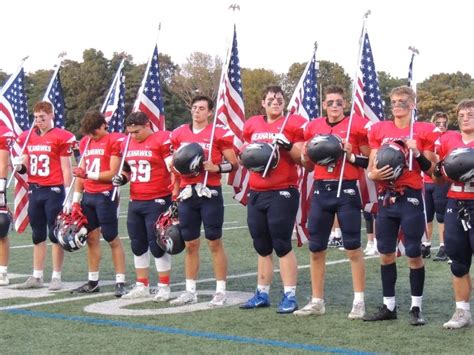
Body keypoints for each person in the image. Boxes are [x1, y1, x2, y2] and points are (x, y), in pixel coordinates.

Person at [363, 86, 439, 325]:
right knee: (385, 252)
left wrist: (416, 152)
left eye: (403, 102)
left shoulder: (422, 130)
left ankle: (416, 307)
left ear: (413, 105)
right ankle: (389, 305)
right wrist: (374, 175)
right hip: (387, 197)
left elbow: (432, 171)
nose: (397, 105)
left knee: (414, 253)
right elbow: (371, 169)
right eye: (394, 101)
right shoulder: (379, 129)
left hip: (412, 197)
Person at [294, 85, 369, 319]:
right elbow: (307, 166)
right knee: (316, 248)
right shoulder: (314, 126)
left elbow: (369, 160)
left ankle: (359, 301)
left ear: (344, 104)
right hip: (321, 189)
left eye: (338, 102)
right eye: (330, 102)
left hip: (346, 189)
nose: (334, 106)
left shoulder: (355, 125)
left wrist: (351, 155)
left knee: (353, 247)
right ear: (324, 105)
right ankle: (317, 301)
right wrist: (305, 156)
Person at [239, 85, 305, 314]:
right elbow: (245, 154)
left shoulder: (293, 124)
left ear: (284, 103)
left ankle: (290, 295)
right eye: (271, 99)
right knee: (261, 244)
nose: (275, 102)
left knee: (281, 243)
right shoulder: (252, 125)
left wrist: (287, 146)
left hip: (282, 190)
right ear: (263, 103)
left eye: (279, 99)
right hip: (257, 191)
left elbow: (304, 160)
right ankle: (262, 292)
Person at [169, 95, 238, 307]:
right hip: (188, 193)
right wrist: (175, 191)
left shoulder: (218, 132)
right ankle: (190, 290)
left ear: (210, 112)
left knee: (214, 241)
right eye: (194, 107)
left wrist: (216, 167)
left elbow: (234, 163)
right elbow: (175, 167)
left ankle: (220, 290)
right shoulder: (179, 133)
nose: (197, 111)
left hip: (210, 192)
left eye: (202, 108)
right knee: (190, 243)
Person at [13, 101, 75, 291]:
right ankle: (37, 275)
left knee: (55, 233)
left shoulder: (61, 137)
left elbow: (67, 168)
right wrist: (19, 165)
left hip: (54, 190)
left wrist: (68, 195)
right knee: (37, 234)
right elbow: (25, 164)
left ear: (51, 116)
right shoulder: (29, 137)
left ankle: (56, 276)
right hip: (35, 188)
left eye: (42, 117)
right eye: (36, 117)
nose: (39, 121)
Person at [112, 112, 173, 301]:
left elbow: (173, 169)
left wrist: (175, 196)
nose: (133, 135)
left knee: (157, 244)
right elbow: (127, 169)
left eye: (137, 131)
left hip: (158, 198)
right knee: (137, 244)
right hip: (136, 199)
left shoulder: (162, 140)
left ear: (147, 125)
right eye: (129, 132)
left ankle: (164, 286)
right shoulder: (126, 142)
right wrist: (121, 178)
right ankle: (142, 285)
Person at [70, 111, 127, 297]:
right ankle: (93, 281)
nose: (92, 136)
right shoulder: (85, 142)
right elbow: (81, 172)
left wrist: (86, 175)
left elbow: (112, 173)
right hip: (89, 196)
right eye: (90, 133)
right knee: (91, 239)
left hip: (105, 195)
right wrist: (76, 200)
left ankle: (120, 281)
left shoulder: (113, 141)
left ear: (104, 125)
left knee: (111, 237)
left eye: (95, 132)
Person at [433, 99, 474, 329]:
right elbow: (437, 178)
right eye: (461, 114)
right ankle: (462, 311)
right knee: (458, 261)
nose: (465, 117)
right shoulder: (447, 139)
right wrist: (438, 170)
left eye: (470, 113)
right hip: (455, 203)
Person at [421, 112, 450, 261]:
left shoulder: (449, 138)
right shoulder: (427, 138)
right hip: (426, 181)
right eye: (438, 123)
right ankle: (425, 244)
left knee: (441, 216)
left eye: (444, 123)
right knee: (427, 215)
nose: (441, 126)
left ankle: (444, 246)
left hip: (440, 182)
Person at [0, 126, 15, 286]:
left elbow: (3, 164)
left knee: (1, 226)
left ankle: (2, 272)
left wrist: (1, 190)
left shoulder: (2, 131)